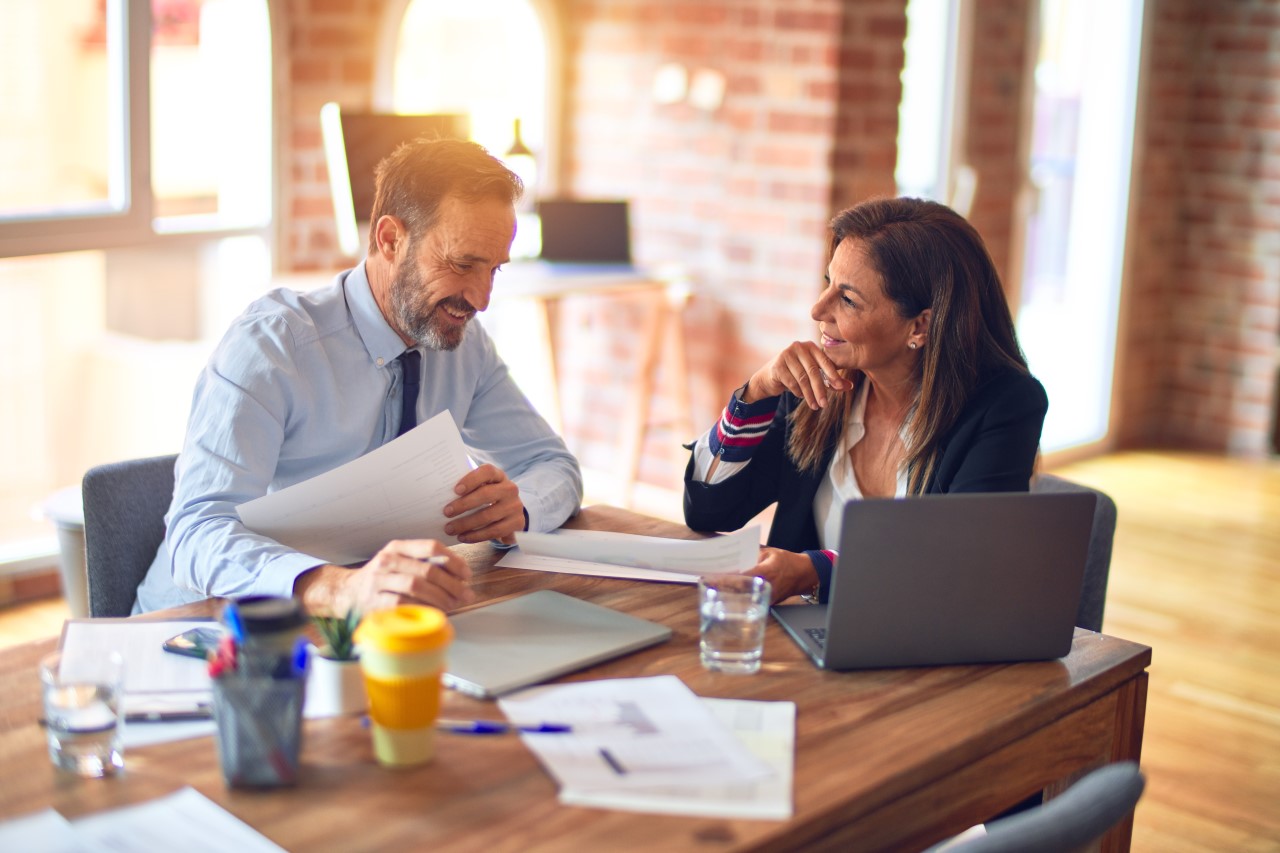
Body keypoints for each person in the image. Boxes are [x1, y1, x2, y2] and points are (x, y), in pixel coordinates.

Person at [135, 138, 582, 615]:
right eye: (461, 264)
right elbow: (196, 534)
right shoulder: (270, 347)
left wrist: (523, 507)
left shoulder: (463, 345)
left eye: (493, 269)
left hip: (363, 625)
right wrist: (337, 588)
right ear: (390, 239)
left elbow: (555, 466)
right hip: (201, 628)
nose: (481, 298)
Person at [684, 197, 1047, 604]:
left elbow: (960, 563)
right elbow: (708, 512)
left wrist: (814, 571)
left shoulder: (1004, 406)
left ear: (920, 325)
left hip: (922, 653)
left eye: (848, 299)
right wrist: (755, 395)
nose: (818, 309)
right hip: (800, 643)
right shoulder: (819, 388)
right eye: (827, 283)